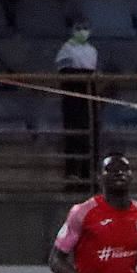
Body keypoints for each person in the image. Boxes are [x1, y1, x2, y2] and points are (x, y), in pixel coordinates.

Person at [55, 19, 99, 186]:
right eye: (79, 29)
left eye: (86, 29)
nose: (83, 32)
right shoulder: (66, 49)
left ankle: (89, 175)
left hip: (90, 94)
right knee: (74, 134)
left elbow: (94, 71)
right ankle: (73, 175)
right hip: (73, 94)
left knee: (91, 133)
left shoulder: (92, 50)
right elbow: (63, 71)